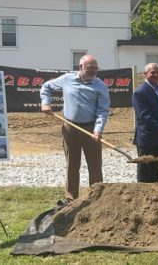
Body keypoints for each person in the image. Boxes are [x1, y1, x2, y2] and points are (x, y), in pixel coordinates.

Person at [40, 55, 110, 201]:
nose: (93, 71)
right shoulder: (67, 79)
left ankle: (96, 198)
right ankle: (71, 199)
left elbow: (103, 111)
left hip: (91, 130)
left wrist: (98, 130)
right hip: (70, 128)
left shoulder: (100, 86)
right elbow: (46, 86)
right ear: (81, 67)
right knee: (72, 165)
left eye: (96, 68)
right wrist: (46, 103)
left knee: (95, 166)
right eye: (90, 68)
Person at [133, 63, 158, 183]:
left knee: (156, 166)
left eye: (157, 72)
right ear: (145, 74)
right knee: (145, 168)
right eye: (152, 72)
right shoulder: (140, 92)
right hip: (147, 136)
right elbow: (144, 115)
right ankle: (142, 194)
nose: (155, 75)